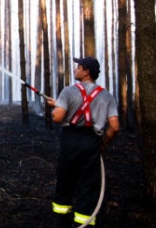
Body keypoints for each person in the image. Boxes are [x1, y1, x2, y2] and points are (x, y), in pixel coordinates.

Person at [45, 57, 120, 227]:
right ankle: (83, 224)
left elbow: (58, 117)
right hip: (92, 143)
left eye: (78, 67)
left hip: (70, 142)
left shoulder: (69, 91)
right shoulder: (107, 95)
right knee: (88, 186)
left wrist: (55, 108)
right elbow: (114, 127)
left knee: (65, 183)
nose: (75, 70)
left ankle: (61, 223)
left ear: (86, 72)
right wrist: (103, 144)